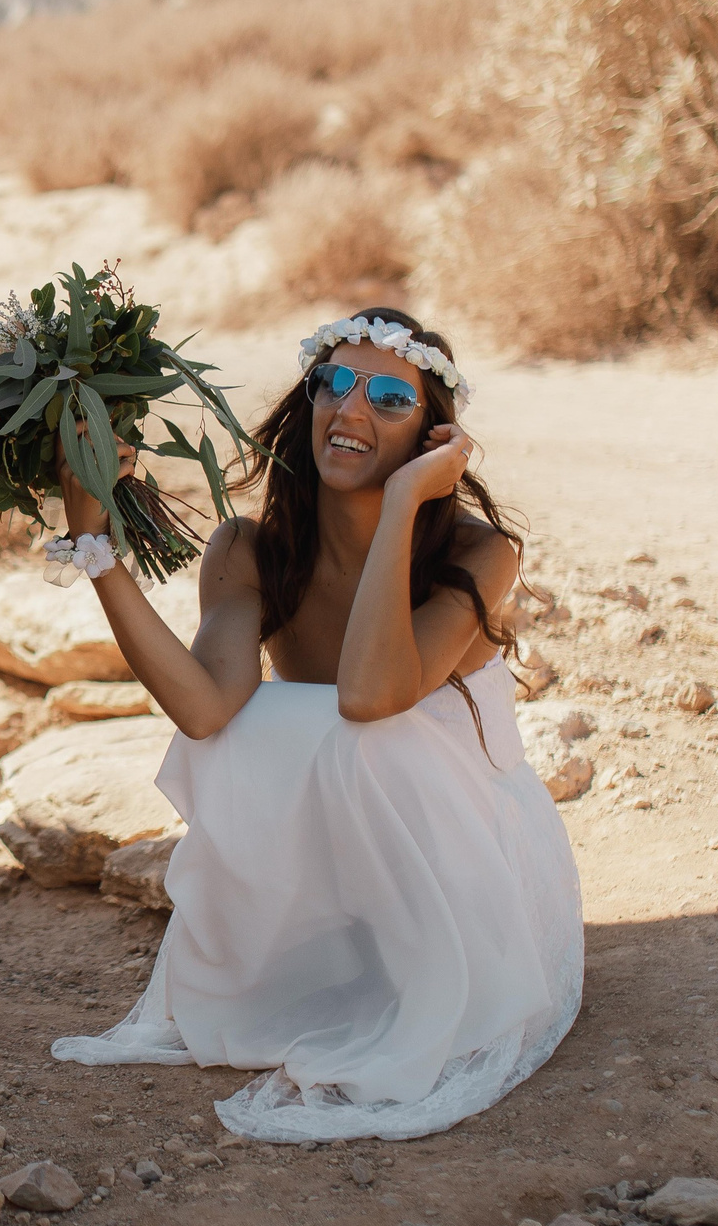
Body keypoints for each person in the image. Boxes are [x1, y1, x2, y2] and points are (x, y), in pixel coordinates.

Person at [45, 307, 583, 1142]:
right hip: (341, 856)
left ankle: (422, 984)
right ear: (309, 402)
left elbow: (372, 698)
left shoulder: (480, 553)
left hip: (469, 867)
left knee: (370, 730)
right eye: (335, 382)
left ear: (433, 438)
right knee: (244, 727)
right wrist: (96, 547)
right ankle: (306, 972)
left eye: (390, 398)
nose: (352, 410)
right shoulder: (249, 548)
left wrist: (403, 503)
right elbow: (201, 708)